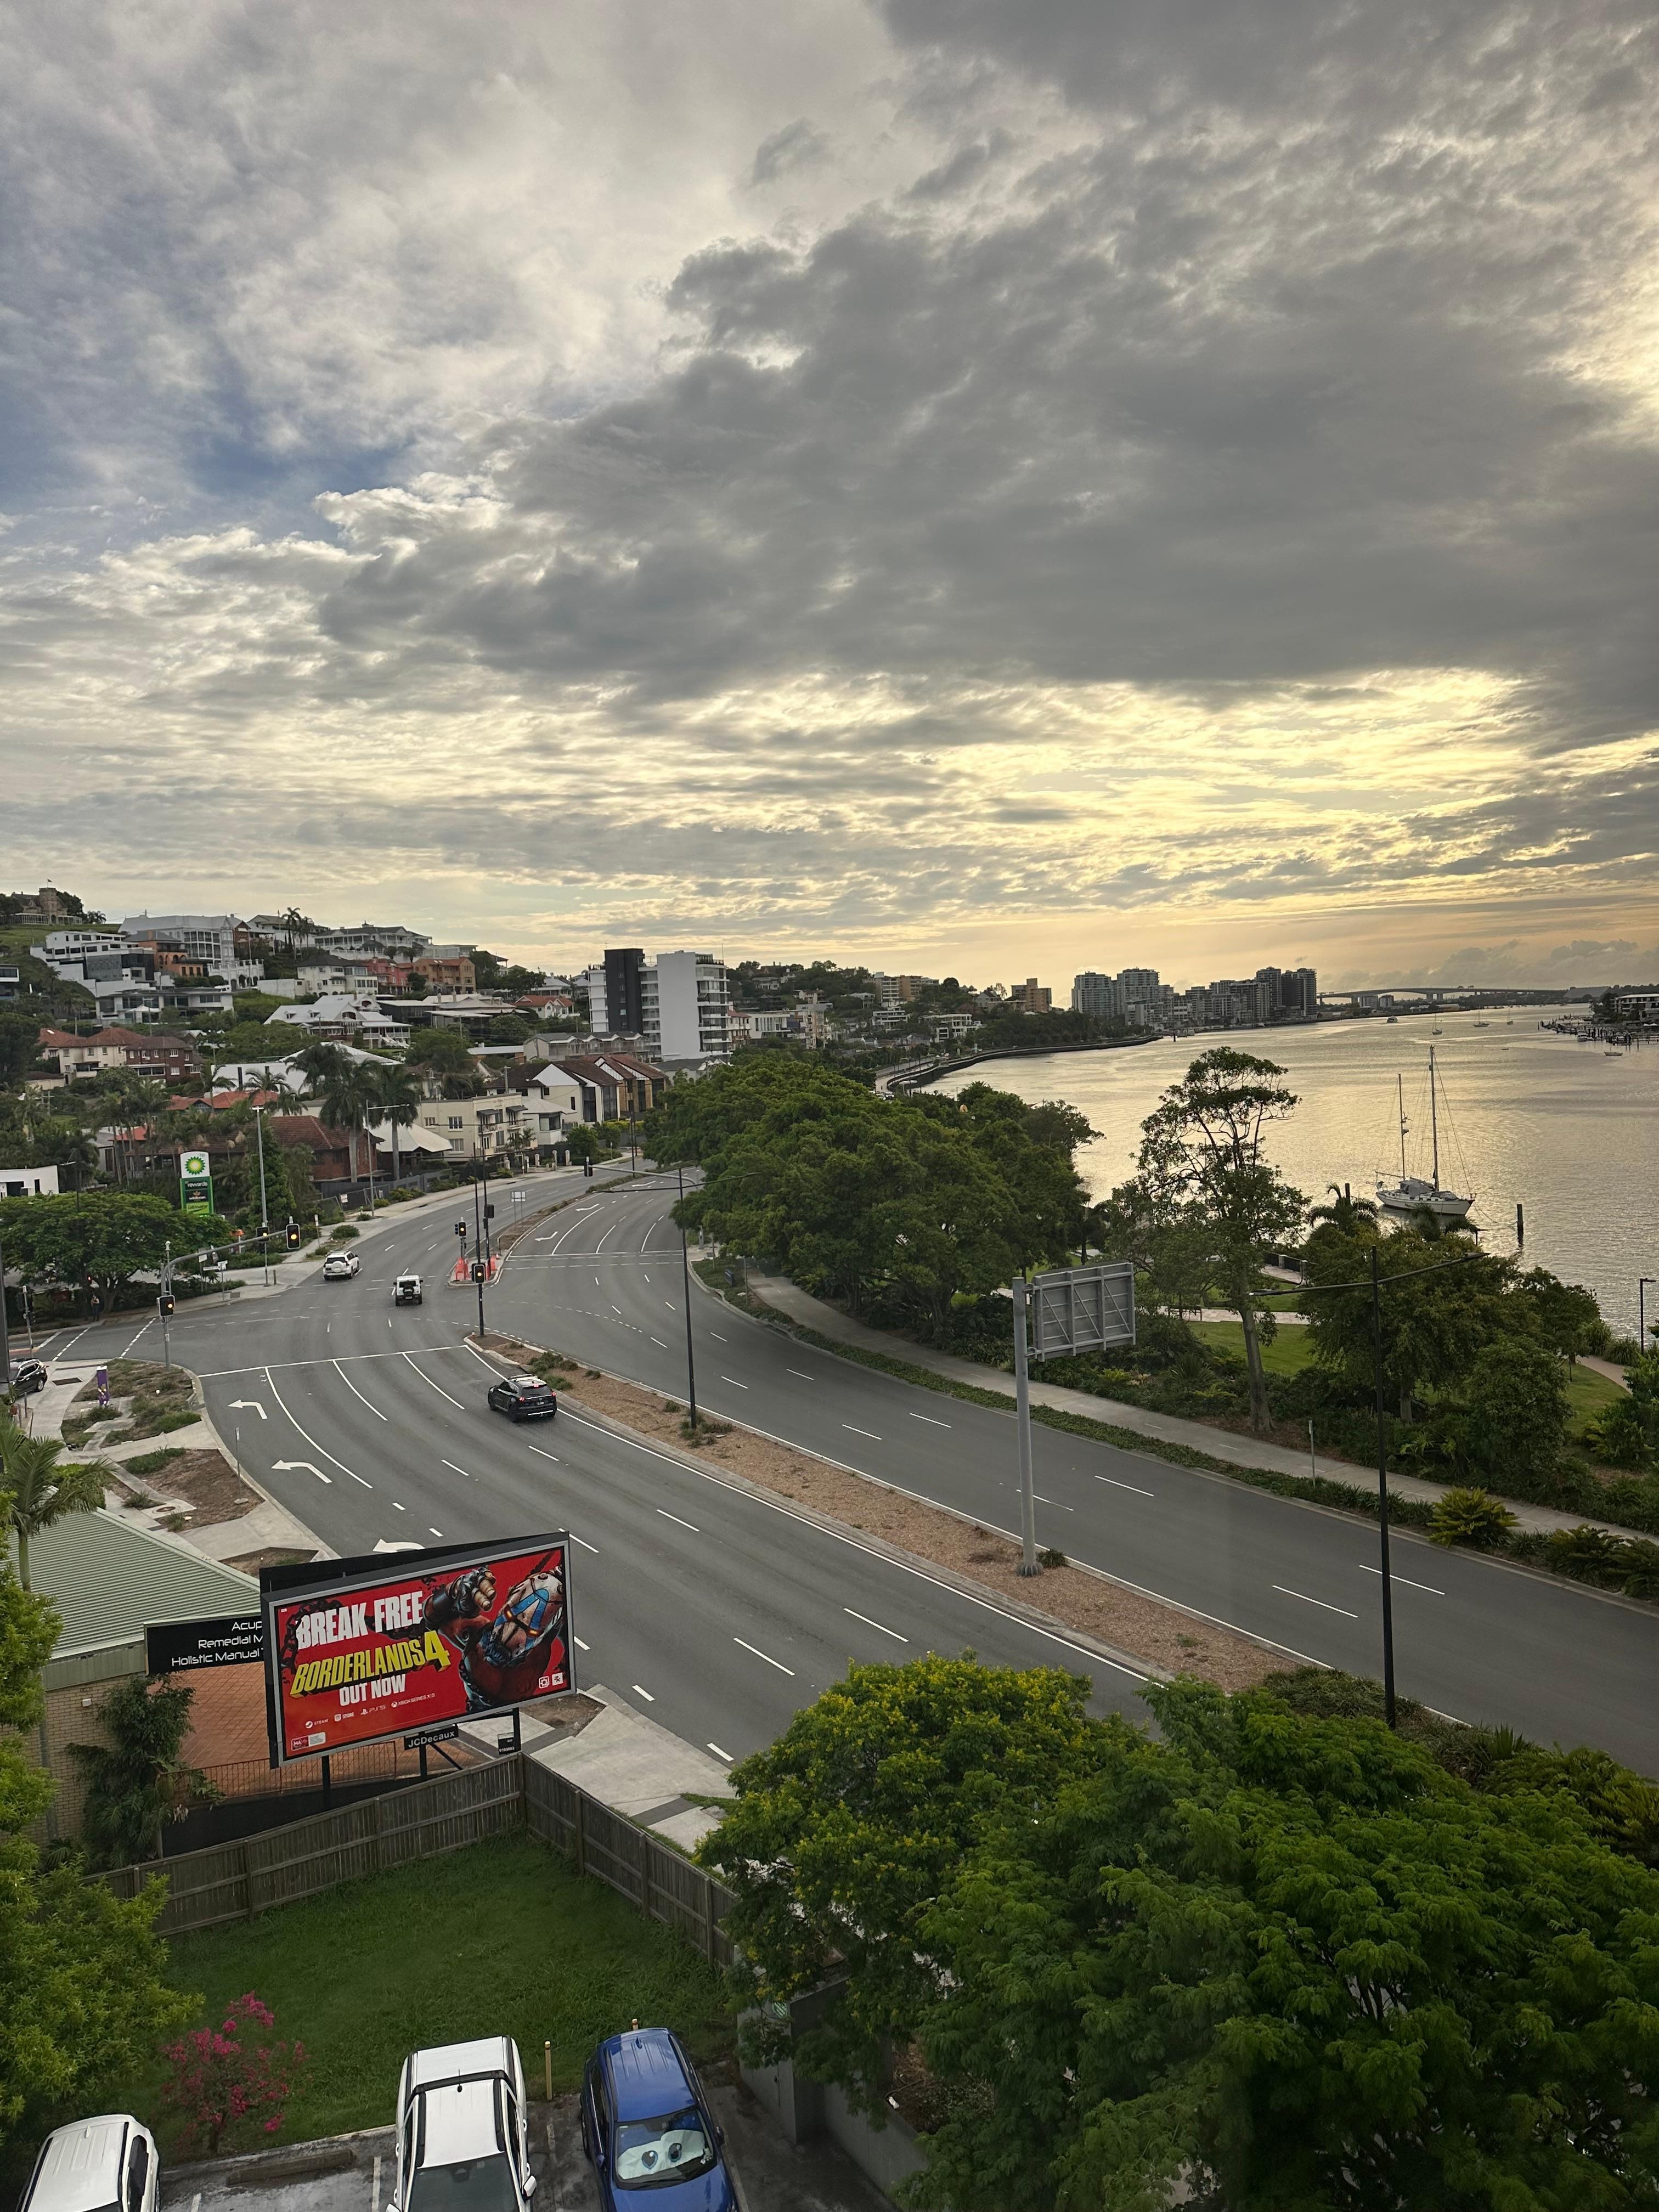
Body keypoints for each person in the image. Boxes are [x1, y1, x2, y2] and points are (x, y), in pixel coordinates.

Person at [425, 1558, 568, 1709]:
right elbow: (432, 1619)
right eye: (512, 1613)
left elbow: (432, 1618)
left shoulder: (475, 1638)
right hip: (488, 1713)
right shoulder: (477, 1643)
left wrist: (452, 1591)